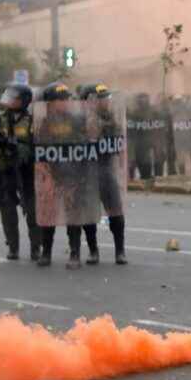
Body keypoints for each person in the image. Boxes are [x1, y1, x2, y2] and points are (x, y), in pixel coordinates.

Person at [33, 82, 91, 269]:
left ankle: (74, 253)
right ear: (49, 103)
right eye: (59, 100)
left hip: (71, 173)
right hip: (50, 174)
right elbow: (37, 148)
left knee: (72, 214)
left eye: (65, 99)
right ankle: (46, 252)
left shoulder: (76, 120)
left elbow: (84, 144)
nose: (64, 103)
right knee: (48, 214)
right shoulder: (42, 123)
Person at [0, 83, 41, 261]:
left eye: (14, 97)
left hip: (27, 172)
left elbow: (39, 144)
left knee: (33, 211)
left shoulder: (33, 120)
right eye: (8, 95)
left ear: (24, 101)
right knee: (7, 209)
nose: (9, 100)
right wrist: (6, 143)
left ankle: (36, 249)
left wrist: (24, 150)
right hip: (4, 170)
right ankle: (13, 247)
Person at [81, 83, 128, 265]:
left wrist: (98, 122)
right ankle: (93, 251)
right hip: (86, 171)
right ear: (90, 101)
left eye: (106, 99)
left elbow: (115, 135)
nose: (106, 102)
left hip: (105, 168)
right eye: (101, 99)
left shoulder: (110, 118)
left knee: (115, 211)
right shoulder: (78, 119)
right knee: (88, 214)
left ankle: (120, 251)